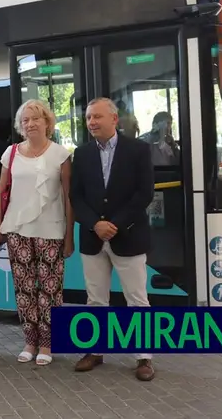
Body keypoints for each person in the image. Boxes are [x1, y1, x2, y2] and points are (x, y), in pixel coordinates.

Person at [69, 97, 155, 381]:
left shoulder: (138, 150)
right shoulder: (80, 154)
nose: (91, 122)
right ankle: (95, 351)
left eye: (97, 117)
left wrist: (113, 224)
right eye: (88, 118)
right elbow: (76, 197)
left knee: (137, 299)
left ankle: (144, 357)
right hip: (93, 239)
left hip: (128, 236)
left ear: (114, 119)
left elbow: (144, 194)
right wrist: (95, 224)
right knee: (95, 300)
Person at [0, 100, 74, 366]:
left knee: (50, 291)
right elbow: (1, 193)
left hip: (51, 229)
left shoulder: (60, 154)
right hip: (17, 229)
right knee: (24, 289)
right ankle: (29, 341)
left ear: (47, 122)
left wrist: (69, 235)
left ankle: (48, 344)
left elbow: (68, 197)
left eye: (36, 118)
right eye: (25, 120)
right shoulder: (11, 153)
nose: (30, 124)